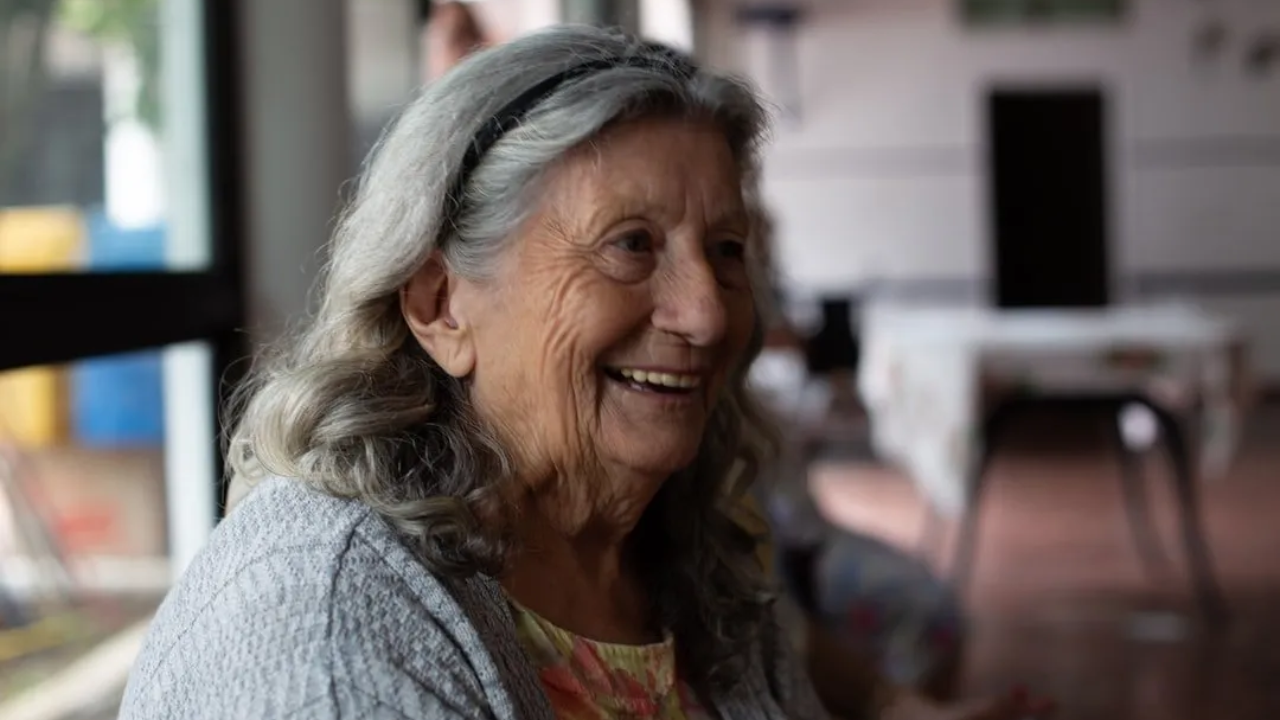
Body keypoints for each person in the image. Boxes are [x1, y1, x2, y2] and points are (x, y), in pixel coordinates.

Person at [122, 27, 1048, 720]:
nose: (708, 312)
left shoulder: (684, 546)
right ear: (441, 305)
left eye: (727, 250)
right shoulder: (329, 627)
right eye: (630, 245)